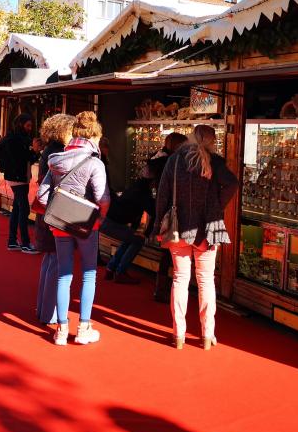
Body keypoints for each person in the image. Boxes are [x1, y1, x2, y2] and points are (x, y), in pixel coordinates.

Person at [153, 125, 238, 350]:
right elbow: (232, 183)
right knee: (206, 281)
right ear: (212, 141)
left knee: (180, 279)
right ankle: (207, 335)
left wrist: (156, 225)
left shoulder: (175, 160)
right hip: (208, 227)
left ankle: (178, 334)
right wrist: (217, 205)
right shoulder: (215, 161)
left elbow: (162, 194)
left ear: (191, 136)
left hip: (179, 226)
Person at [36, 111, 110, 346]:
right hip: (86, 224)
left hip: (60, 223)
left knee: (63, 274)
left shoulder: (55, 160)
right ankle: (84, 327)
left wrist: (53, 216)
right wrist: (99, 218)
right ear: (94, 136)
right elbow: (103, 197)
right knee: (89, 273)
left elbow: (41, 195)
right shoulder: (95, 162)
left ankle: (61, 329)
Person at [34, 113, 76, 325]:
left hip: (47, 211)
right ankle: (49, 311)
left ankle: (44, 308)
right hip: (57, 211)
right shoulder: (59, 152)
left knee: (50, 260)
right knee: (57, 263)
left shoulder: (48, 151)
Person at [101, 161, 159, 285]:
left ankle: (111, 268)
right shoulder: (144, 193)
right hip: (113, 222)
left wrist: (137, 231)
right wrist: (147, 234)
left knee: (131, 238)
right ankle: (120, 272)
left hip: (109, 220)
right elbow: (154, 212)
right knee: (138, 240)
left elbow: (134, 211)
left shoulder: (136, 186)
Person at [146, 132, 188, 302]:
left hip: (163, 209)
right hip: (173, 210)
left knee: (166, 253)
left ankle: (160, 288)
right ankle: (164, 289)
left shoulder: (158, 158)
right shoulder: (173, 162)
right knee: (172, 253)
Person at [1, 114, 40, 254]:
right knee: (24, 209)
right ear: (21, 124)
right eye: (27, 125)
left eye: (31, 125)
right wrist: (34, 151)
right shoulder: (15, 139)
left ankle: (12, 241)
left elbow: (26, 158)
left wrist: (33, 151)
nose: (30, 128)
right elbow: (23, 158)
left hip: (18, 177)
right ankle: (25, 243)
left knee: (18, 209)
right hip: (17, 177)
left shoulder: (15, 137)